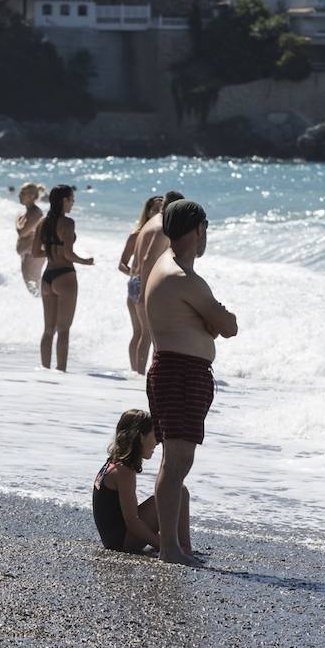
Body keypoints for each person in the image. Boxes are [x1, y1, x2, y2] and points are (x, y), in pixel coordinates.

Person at [143, 199, 238, 566]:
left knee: (175, 460)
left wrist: (210, 320)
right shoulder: (184, 277)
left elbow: (213, 323)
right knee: (177, 460)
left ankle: (174, 545)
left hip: (174, 371)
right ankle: (171, 549)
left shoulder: (166, 269)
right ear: (197, 230)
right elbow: (228, 326)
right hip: (179, 374)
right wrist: (215, 319)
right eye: (205, 229)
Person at [92, 409, 189, 553]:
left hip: (114, 538)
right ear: (139, 437)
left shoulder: (113, 464)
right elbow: (132, 521)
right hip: (121, 541)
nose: (158, 441)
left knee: (176, 490)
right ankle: (183, 548)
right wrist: (161, 545)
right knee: (179, 491)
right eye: (154, 434)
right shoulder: (123, 472)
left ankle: (180, 546)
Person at [31, 185, 95, 371]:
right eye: (72, 199)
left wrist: (51, 250)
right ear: (64, 200)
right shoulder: (68, 223)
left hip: (47, 278)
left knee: (48, 331)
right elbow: (68, 254)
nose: (73, 204)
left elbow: (35, 252)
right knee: (64, 331)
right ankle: (61, 373)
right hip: (65, 276)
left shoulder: (42, 222)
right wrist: (86, 261)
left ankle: (44, 371)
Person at [131, 190, 185, 371]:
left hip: (135, 280)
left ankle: (138, 375)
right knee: (151, 336)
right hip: (143, 284)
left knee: (144, 334)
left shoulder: (151, 223)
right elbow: (147, 259)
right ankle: (144, 376)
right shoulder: (162, 227)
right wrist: (145, 293)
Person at [118, 196, 163, 374]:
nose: (159, 212)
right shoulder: (138, 234)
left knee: (140, 333)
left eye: (162, 209)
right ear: (148, 211)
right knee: (145, 334)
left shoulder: (152, 232)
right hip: (139, 283)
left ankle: (135, 372)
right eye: (155, 209)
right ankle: (140, 374)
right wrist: (135, 275)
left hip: (136, 283)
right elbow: (121, 263)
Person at [15, 183, 45, 295]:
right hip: (27, 253)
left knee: (35, 287)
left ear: (32, 196)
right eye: (20, 193)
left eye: (23, 193)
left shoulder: (36, 213)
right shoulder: (26, 212)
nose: (19, 195)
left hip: (33, 254)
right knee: (32, 287)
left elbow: (22, 232)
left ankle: (48, 308)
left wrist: (17, 221)